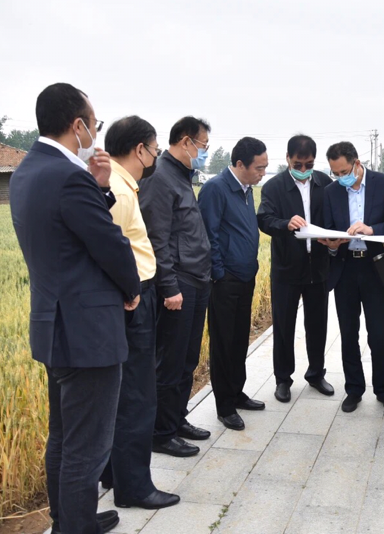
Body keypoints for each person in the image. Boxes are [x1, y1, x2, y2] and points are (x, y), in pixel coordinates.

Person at [10, 83, 140, 534]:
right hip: (88, 334)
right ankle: (75, 527)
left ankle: (70, 518)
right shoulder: (69, 176)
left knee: (64, 437)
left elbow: (69, 232)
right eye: (95, 125)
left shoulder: (27, 171)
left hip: (54, 326)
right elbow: (109, 243)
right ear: (78, 125)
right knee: (88, 445)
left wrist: (99, 189)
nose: (95, 135)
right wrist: (132, 288)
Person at [100, 116, 180, 509]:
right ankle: (134, 488)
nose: (155, 157)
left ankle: (115, 474)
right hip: (134, 298)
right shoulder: (117, 188)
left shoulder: (121, 184)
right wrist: (130, 289)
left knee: (127, 393)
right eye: (155, 150)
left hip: (134, 294)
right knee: (137, 395)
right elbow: (107, 248)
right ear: (139, 150)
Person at [139, 117, 212, 458]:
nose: (204, 153)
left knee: (187, 360)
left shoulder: (181, 175)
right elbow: (157, 238)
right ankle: (161, 432)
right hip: (178, 282)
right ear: (186, 142)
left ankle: (177, 418)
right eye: (203, 146)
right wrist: (169, 287)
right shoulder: (160, 176)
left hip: (196, 279)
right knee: (169, 362)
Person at [322, 141, 384, 413]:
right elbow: (327, 229)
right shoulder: (331, 192)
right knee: (349, 333)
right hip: (345, 268)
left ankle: (383, 389)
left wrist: (373, 229)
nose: (340, 178)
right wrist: (332, 244)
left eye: (344, 172)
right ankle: (354, 389)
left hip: (375, 267)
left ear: (357, 164)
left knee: (380, 333)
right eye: (336, 173)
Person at [257, 135, 335, 403]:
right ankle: (283, 379)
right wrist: (285, 224)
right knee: (284, 326)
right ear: (288, 159)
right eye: (298, 164)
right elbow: (264, 219)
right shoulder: (274, 187)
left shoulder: (324, 183)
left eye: (309, 164)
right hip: (287, 268)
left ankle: (316, 374)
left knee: (318, 325)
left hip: (318, 266)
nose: (303, 170)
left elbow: (334, 218)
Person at [198, 137, 268, 431]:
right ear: (240, 164)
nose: (262, 173)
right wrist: (219, 273)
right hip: (225, 281)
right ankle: (224, 405)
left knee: (240, 340)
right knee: (224, 343)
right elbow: (208, 234)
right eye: (259, 168)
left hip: (246, 276)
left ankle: (237, 392)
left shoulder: (246, 190)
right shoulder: (216, 189)